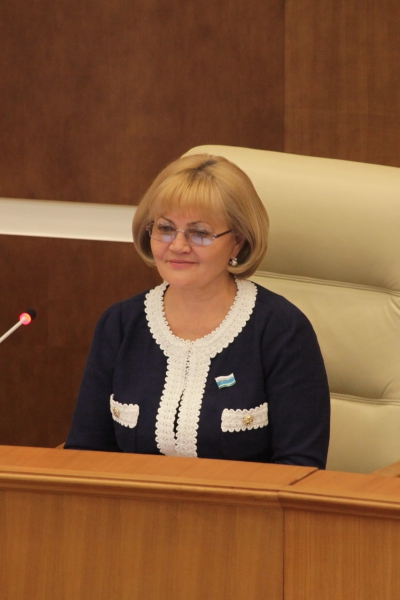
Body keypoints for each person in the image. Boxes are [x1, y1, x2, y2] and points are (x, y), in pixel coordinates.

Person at [65, 154, 330, 467]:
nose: (178, 246)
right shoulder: (120, 325)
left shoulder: (282, 330)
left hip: (244, 500)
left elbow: (300, 466)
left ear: (237, 242)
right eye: (165, 228)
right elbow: (86, 455)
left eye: (200, 233)